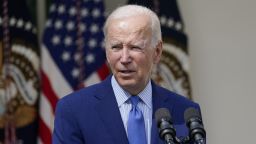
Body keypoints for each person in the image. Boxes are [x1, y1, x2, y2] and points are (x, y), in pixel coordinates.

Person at [52, 4, 201, 144]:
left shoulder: (185, 111)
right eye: (116, 47)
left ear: (157, 52)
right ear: (106, 52)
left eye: (135, 47)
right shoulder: (73, 110)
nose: (124, 58)